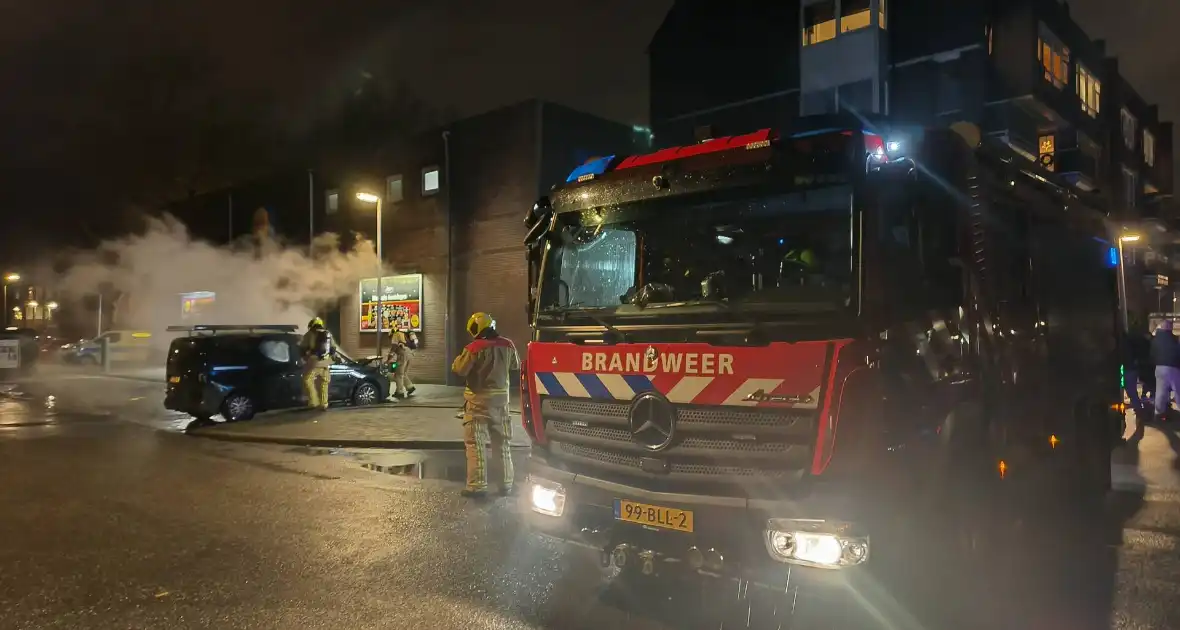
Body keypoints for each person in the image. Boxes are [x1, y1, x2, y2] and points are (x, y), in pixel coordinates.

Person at [451, 312, 519, 498]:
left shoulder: (473, 348)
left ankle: (477, 486)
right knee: (502, 445)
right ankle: (506, 484)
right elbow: (515, 366)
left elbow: (460, 369)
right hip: (501, 404)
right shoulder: (508, 345)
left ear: (476, 328)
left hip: (477, 403)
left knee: (476, 445)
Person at [300, 317, 334, 411]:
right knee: (324, 383)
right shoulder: (328, 334)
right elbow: (333, 348)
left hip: (314, 362)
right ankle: (324, 404)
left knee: (307, 380)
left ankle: (314, 401)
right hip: (326, 363)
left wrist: (305, 357)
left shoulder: (309, 334)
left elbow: (302, 348)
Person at [1149, 319, 1180, 422]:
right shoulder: (1174, 339)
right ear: (1169, 328)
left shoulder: (1155, 340)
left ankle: (1158, 414)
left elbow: (1152, 354)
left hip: (1159, 368)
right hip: (1173, 367)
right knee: (1178, 391)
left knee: (1160, 392)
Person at [388, 328, 417, 399]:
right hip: (409, 354)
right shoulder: (402, 334)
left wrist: (388, 359)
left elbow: (394, 347)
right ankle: (410, 387)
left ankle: (399, 392)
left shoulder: (395, 335)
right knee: (403, 373)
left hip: (403, 355)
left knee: (398, 374)